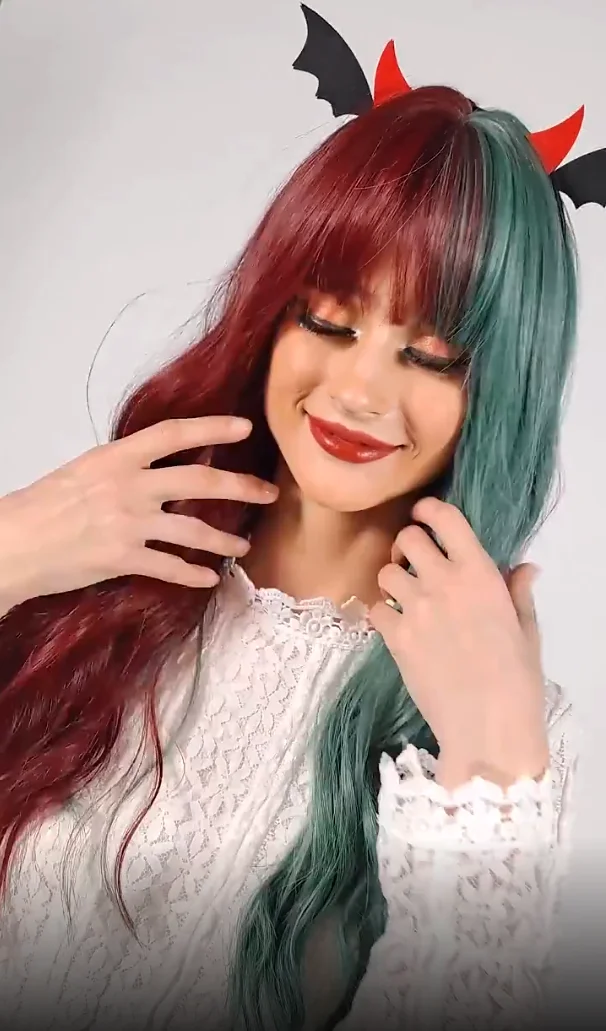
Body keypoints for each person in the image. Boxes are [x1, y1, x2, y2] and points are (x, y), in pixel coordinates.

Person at [0, 85, 578, 1031]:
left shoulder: (513, 734)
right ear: (272, 315)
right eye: (329, 322)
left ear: (500, 387)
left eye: (432, 357)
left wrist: (491, 785)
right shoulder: (103, 572)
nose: (360, 390)